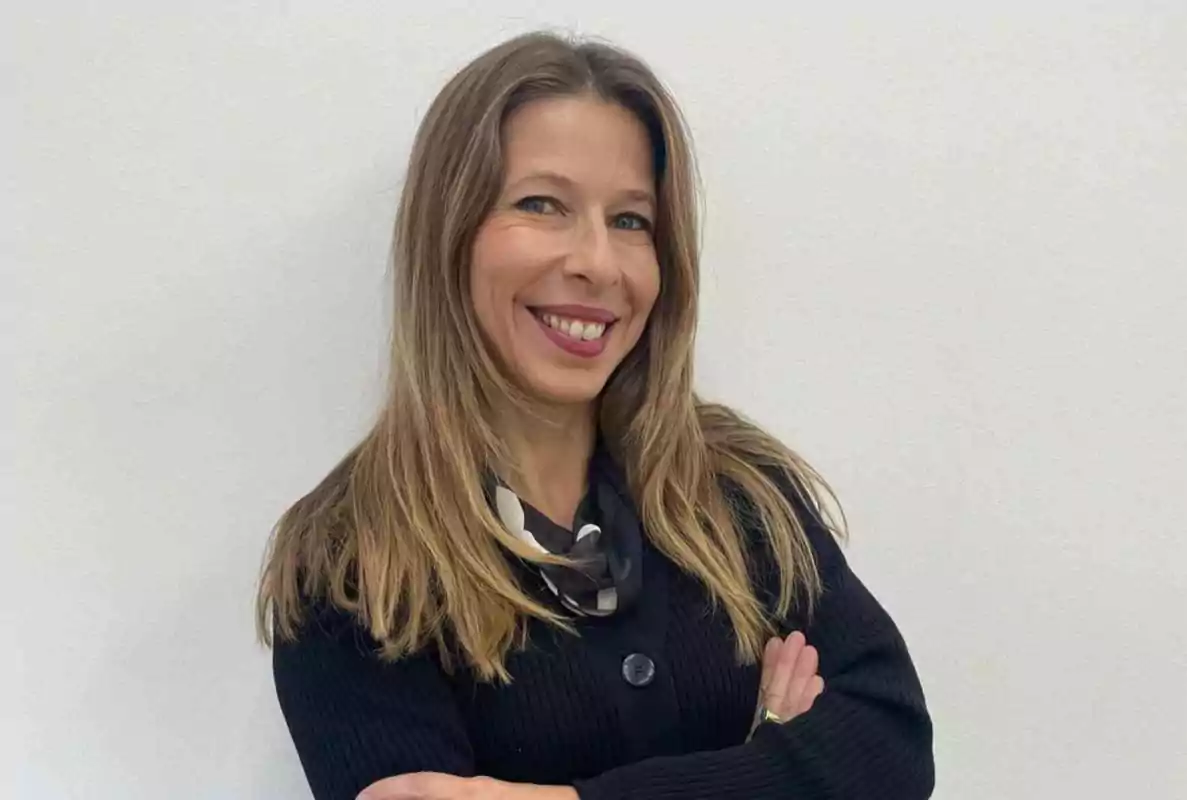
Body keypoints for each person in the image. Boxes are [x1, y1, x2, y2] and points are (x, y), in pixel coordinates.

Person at [257, 30, 934, 800]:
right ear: (449, 232)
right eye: (541, 205)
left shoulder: (740, 493)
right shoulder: (353, 562)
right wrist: (772, 761)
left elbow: (893, 747)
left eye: (631, 220)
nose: (598, 263)